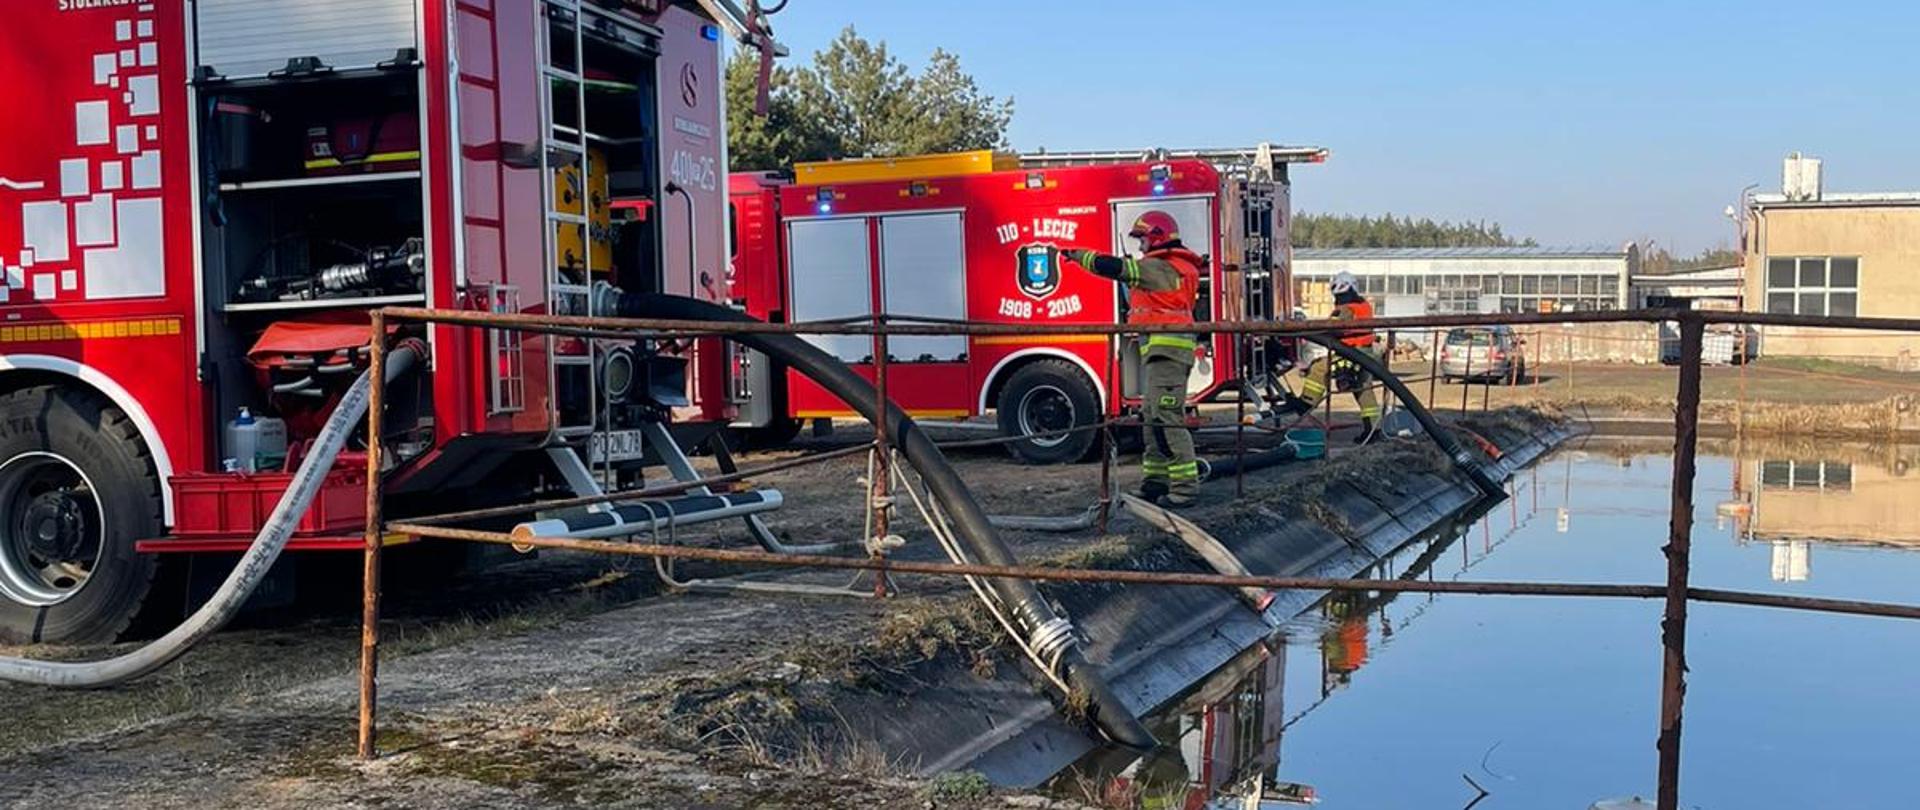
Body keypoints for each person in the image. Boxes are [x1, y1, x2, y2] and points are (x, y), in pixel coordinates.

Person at [1059, 211, 1203, 507]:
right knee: (1151, 419)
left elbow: (1115, 268)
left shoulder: (1161, 269)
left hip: (1167, 354)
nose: (1140, 247)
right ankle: (1155, 483)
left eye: (1143, 240)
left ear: (1157, 237)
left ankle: (1185, 488)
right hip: (1162, 354)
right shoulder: (1173, 267)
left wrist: (1077, 255)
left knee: (1166, 419)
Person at [1280, 270, 1381, 444]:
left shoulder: (1346, 309)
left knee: (1319, 367)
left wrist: (1311, 329)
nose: (1338, 300)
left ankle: (1306, 402)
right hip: (1367, 352)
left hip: (1352, 352)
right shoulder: (1364, 305)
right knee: (1364, 390)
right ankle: (1373, 429)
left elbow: (1334, 327)